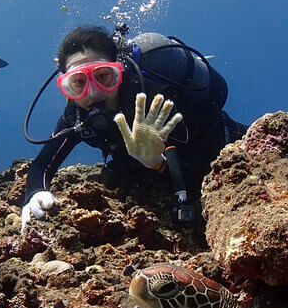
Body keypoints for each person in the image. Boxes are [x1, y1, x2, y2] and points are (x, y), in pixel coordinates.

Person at [21, 25, 247, 231]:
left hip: (225, 144)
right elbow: (43, 163)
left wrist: (156, 163)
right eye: (78, 82)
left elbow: (201, 168)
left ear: (118, 72)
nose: (92, 92)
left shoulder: (151, 100)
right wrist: (36, 193)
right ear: (66, 87)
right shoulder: (76, 116)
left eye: (103, 76)